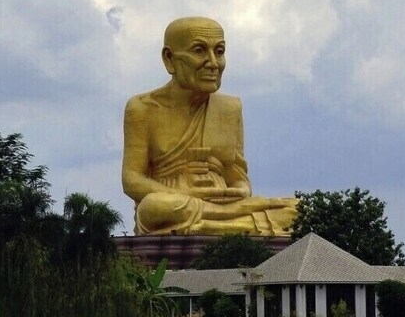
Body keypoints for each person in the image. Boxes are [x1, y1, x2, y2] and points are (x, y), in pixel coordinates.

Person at [122, 16, 298, 235]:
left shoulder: (229, 107)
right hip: (174, 203)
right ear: (169, 58)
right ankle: (233, 228)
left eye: (220, 51)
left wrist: (238, 193)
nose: (214, 63)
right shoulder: (142, 108)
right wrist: (187, 196)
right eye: (199, 51)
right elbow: (131, 179)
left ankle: (210, 228)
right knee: (153, 207)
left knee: (298, 210)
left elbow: (238, 178)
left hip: (223, 204)